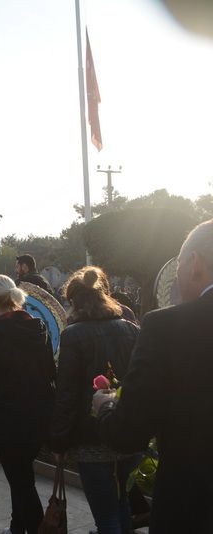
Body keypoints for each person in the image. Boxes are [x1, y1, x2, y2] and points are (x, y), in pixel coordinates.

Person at [92, 219, 213, 533]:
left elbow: (128, 433)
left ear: (195, 263)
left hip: (192, 511)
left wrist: (104, 406)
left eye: (179, 268)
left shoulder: (167, 326)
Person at [50, 266, 141, 534]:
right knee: (122, 502)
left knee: (105, 516)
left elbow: (66, 394)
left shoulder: (72, 335)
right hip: (128, 434)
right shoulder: (130, 329)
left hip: (92, 440)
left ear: (73, 301)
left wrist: (58, 441)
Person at [0, 274, 55, 534]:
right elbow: (50, 372)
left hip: (7, 418)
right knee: (22, 474)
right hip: (38, 414)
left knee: (20, 481)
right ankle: (17, 525)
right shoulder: (39, 326)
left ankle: (35, 527)